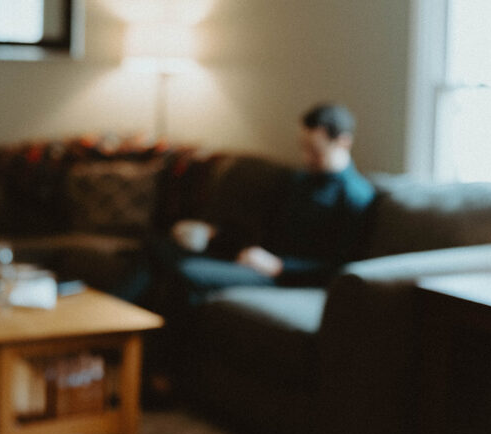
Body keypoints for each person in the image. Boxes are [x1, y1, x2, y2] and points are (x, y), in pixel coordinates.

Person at [156, 103, 377, 301]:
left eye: (315, 151)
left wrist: (280, 267)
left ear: (343, 142)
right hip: (251, 255)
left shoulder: (355, 196)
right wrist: (216, 234)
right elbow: (262, 226)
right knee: (163, 247)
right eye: (304, 147)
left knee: (187, 273)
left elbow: (341, 266)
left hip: (282, 275)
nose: (306, 157)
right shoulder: (299, 179)